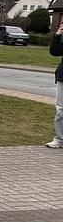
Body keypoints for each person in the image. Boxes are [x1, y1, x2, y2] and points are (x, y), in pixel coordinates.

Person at [48, 18, 63, 148]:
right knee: (61, 110)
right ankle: (59, 139)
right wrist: (58, 35)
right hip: (62, 77)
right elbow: (54, 51)